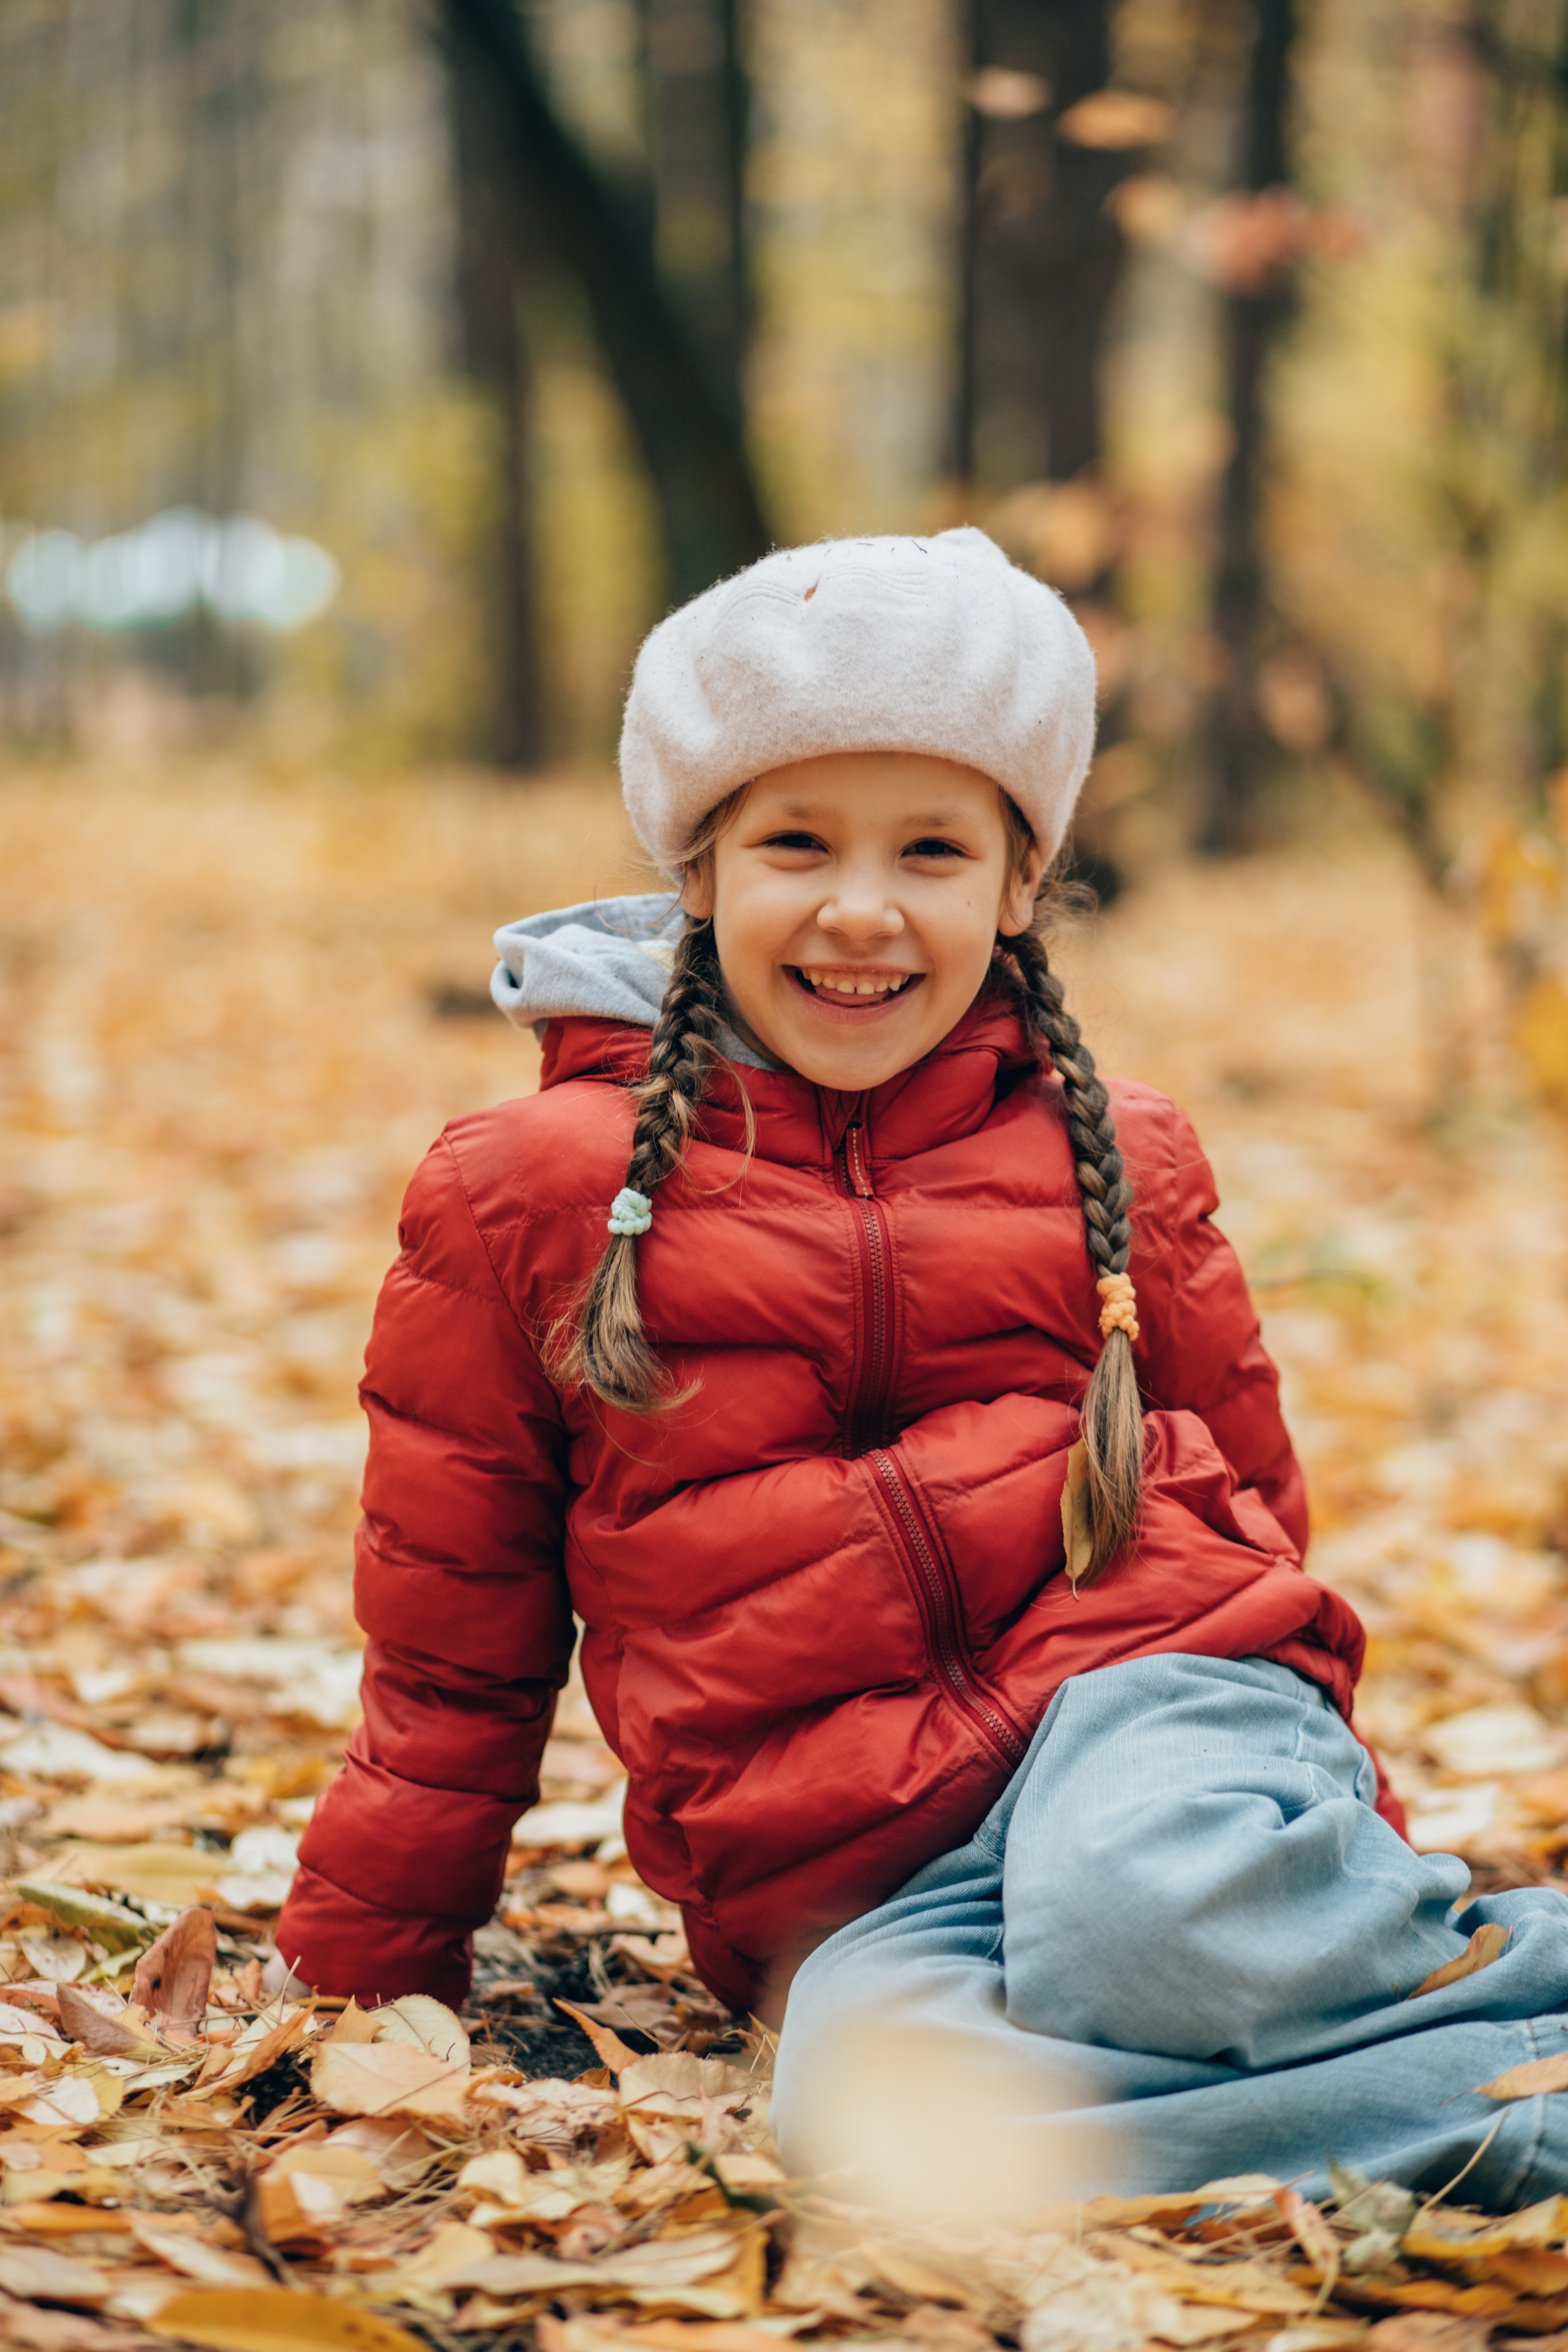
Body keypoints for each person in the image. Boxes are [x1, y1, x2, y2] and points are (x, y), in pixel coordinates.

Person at [276, 528, 1568, 2206]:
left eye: (936, 850)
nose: (863, 909)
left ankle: (1289, 1978)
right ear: (701, 868)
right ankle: (1502, 2108)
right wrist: (366, 1979)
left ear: (1021, 883)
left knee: (1149, 1909)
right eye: (797, 841)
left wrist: (1321, 1879)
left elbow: (1253, 1518)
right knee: (879, 2130)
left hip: (1156, 1721)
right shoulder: (529, 1197)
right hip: (852, 1873)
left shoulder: (1121, 1154)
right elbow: (453, 1645)